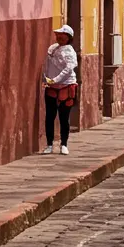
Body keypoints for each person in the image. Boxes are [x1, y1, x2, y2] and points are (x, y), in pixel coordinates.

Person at [42, 24, 78, 156]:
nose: (59, 37)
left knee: (64, 117)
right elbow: (46, 65)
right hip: (51, 87)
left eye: (62, 35)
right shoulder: (52, 48)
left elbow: (68, 69)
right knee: (50, 116)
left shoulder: (69, 52)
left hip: (66, 87)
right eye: (58, 35)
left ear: (68, 37)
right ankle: (49, 144)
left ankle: (64, 144)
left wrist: (56, 79)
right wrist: (45, 79)